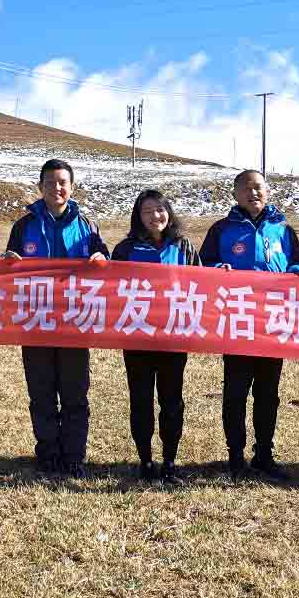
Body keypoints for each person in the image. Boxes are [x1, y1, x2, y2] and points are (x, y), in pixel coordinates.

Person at [198, 170, 299, 482]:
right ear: (235, 195)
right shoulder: (221, 229)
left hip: (272, 321)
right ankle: (235, 456)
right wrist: (217, 269)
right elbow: (202, 266)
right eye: (245, 188)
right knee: (235, 392)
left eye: (258, 187)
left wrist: (296, 271)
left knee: (268, 393)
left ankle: (264, 455)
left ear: (267, 191)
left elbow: (298, 262)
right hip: (237, 321)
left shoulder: (283, 229)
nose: (252, 193)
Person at [4, 159, 109, 477]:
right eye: (50, 182)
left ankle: (74, 456)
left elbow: (105, 262)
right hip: (35, 321)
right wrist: (8, 262)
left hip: (75, 322)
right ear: (41, 187)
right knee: (41, 392)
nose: (57, 188)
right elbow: (8, 267)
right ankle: (48, 453)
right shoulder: (24, 226)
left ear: (72, 187)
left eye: (63, 182)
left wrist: (101, 258)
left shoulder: (87, 226)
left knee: (75, 393)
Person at [111, 190, 200, 484]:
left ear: (168, 212)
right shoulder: (125, 249)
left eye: (159, 209)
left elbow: (202, 285)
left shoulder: (183, 247)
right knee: (140, 400)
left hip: (173, 338)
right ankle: (145, 461)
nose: (155, 216)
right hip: (137, 338)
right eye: (147, 211)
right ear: (138, 216)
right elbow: (111, 289)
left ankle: (170, 461)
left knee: (172, 400)